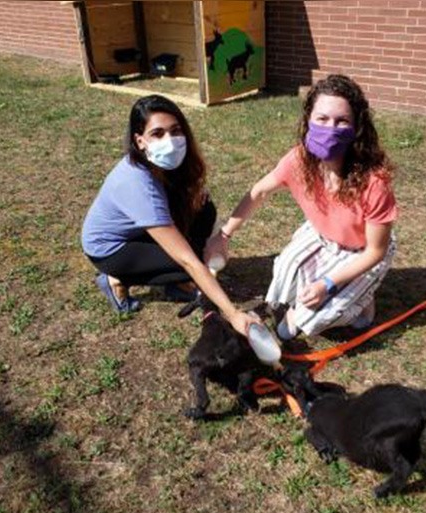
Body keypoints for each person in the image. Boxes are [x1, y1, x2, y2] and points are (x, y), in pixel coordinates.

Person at [204, 74, 398, 340]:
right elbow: (259, 192)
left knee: (308, 320)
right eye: (322, 119)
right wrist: (224, 235)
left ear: (357, 128)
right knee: (283, 278)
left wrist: (328, 283)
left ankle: (363, 307)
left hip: (363, 248)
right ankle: (344, 289)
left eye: (341, 121)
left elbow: (376, 250)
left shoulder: (373, 182)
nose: (330, 128)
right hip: (323, 234)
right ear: (308, 120)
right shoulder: (299, 160)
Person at [81, 94, 257, 336]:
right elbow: (188, 260)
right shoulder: (138, 184)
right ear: (140, 140)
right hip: (111, 249)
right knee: (194, 261)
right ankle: (115, 279)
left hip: (138, 231)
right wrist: (233, 313)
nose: (170, 140)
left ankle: (172, 282)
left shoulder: (162, 165)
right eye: (158, 133)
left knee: (204, 210)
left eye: (175, 130)